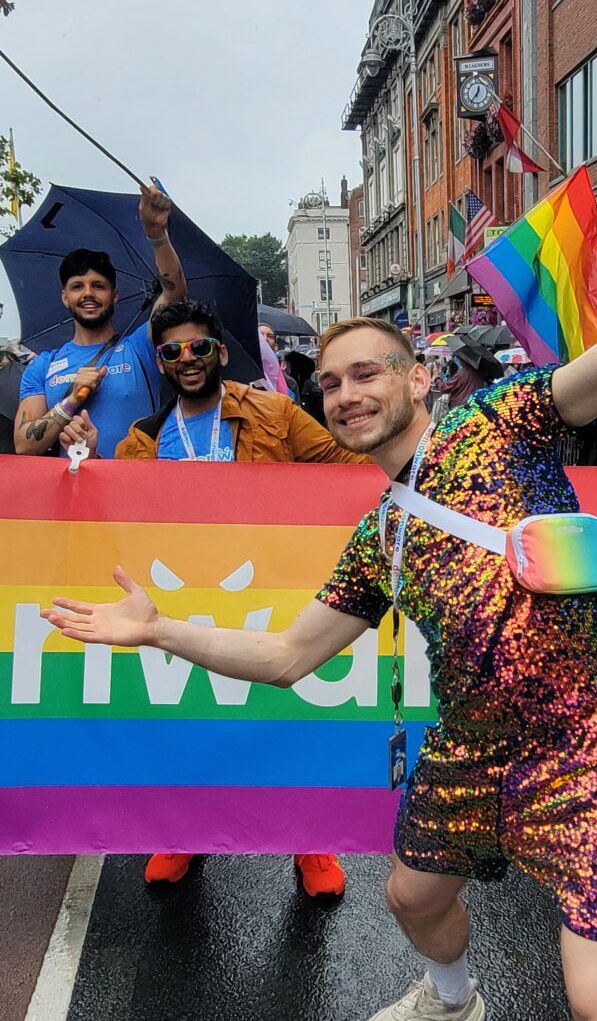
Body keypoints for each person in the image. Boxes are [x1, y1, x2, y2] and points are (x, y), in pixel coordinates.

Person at [41, 106, 597, 1021]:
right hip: (469, 749)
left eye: (366, 373)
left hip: (588, 755)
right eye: (330, 381)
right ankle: (452, 1001)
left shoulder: (507, 419)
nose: (345, 393)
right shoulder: (379, 537)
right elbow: (286, 656)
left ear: (411, 379)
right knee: (408, 895)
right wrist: (160, 626)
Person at [59, 298, 368, 897]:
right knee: (191, 718)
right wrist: (89, 459)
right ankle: (185, 830)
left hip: (272, 588)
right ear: (161, 362)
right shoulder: (142, 440)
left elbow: (349, 468)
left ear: (220, 352)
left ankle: (311, 842)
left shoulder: (275, 413)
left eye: (199, 346)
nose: (187, 359)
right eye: (172, 351)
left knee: (286, 716)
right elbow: (115, 519)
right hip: (185, 603)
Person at [14, 185, 187, 459]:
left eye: (98, 286)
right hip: (74, 493)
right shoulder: (42, 366)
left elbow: (175, 294)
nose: (88, 294)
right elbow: (24, 446)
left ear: (115, 295)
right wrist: (72, 401)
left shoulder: (140, 347)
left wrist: (156, 236)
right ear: (64, 297)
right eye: (77, 287)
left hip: (137, 489)